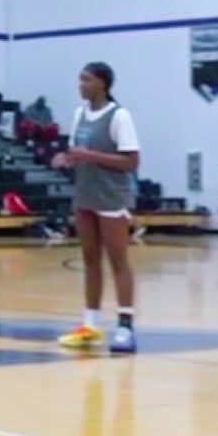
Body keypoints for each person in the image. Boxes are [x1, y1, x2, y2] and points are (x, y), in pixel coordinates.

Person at [53, 62, 140, 354]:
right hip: (85, 195)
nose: (81, 85)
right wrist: (68, 159)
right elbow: (77, 153)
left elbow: (131, 162)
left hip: (111, 197)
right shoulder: (79, 114)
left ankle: (125, 326)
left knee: (118, 261)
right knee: (90, 260)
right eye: (80, 79)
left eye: (87, 80)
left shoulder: (119, 116)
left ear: (103, 83)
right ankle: (90, 325)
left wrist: (88, 155)